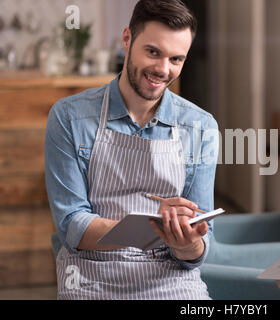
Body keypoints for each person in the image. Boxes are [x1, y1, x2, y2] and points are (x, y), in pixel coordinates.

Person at [45, 0, 218, 300]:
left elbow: (198, 251)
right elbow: (71, 227)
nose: (163, 70)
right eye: (153, 52)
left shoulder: (201, 127)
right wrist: (153, 228)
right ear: (127, 39)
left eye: (176, 59)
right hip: (90, 276)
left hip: (170, 281)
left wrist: (185, 241)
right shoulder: (69, 117)